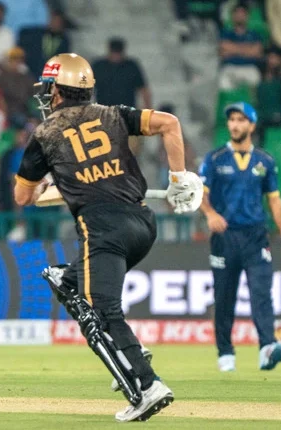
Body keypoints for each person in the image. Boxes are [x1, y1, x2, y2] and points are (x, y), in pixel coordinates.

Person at [14, 53, 203, 421]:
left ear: (56, 91)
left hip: (102, 229)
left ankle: (146, 384)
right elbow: (170, 123)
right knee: (66, 282)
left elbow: (24, 197)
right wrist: (179, 178)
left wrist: (50, 181)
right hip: (142, 224)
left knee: (103, 310)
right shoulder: (113, 113)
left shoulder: (46, 134)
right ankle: (129, 349)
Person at [198, 102, 281, 373]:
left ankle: (267, 347)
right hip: (224, 237)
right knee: (224, 297)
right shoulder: (215, 159)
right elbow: (200, 193)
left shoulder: (265, 161)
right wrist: (210, 214)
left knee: (262, 293)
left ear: (252, 124)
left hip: (255, 236)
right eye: (232, 120)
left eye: (240, 120)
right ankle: (225, 353)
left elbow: (274, 201)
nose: (234, 124)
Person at [92, 37, 151, 108]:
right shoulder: (98, 66)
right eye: (114, 53)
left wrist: (147, 107)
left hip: (127, 110)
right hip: (104, 109)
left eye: (118, 53)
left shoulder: (131, 66)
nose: (116, 56)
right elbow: (88, 87)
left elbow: (143, 89)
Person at [218, 4, 264, 90]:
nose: (240, 15)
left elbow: (257, 52)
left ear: (247, 16)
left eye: (242, 13)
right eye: (237, 13)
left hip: (250, 67)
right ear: (232, 16)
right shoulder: (226, 33)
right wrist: (248, 49)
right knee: (224, 83)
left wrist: (233, 49)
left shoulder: (254, 35)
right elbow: (223, 51)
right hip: (230, 67)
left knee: (255, 82)